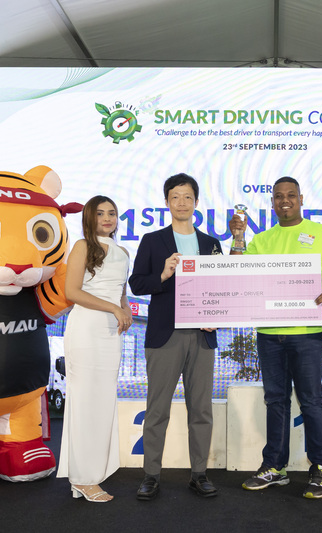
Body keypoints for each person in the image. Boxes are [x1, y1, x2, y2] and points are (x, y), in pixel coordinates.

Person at [229, 176, 322, 499]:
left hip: (307, 333)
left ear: (301, 199)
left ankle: (321, 469)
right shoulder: (262, 240)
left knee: (311, 400)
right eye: (279, 196)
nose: (285, 201)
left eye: (291, 195)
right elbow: (237, 272)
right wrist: (238, 237)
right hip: (269, 334)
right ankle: (275, 467)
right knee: (275, 400)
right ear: (272, 203)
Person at [129, 173, 223, 501]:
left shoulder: (211, 244)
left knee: (201, 410)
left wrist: (216, 316)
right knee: (157, 409)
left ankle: (199, 474)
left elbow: (220, 288)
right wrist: (163, 274)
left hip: (202, 336)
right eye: (175, 197)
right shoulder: (153, 241)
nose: (181, 203)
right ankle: (151, 476)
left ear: (196, 202)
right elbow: (137, 283)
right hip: (165, 335)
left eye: (187, 197)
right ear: (167, 202)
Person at [58, 196, 133, 502]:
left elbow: (120, 292)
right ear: (89, 217)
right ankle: (84, 478)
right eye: (100, 213)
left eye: (112, 213)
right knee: (85, 402)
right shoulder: (82, 246)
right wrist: (114, 308)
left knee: (102, 401)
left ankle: (89, 474)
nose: (107, 218)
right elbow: (71, 292)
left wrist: (124, 308)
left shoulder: (123, 251)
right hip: (86, 329)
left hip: (111, 334)